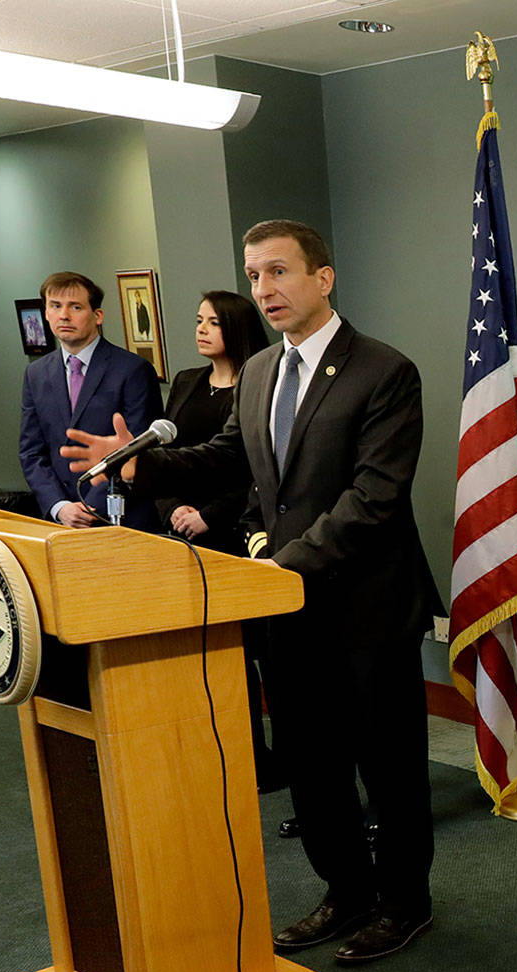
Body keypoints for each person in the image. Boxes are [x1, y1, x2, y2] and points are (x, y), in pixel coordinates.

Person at [64, 220, 440, 965]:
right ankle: (346, 890)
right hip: (283, 608)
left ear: (323, 278)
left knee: (386, 764)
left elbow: (374, 495)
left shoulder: (385, 371)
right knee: (312, 762)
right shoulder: (262, 370)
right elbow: (230, 455)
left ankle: (404, 902)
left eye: (279, 272)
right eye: (254, 274)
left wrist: (286, 564)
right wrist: (139, 465)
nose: (264, 289)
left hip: (365, 605)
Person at [156, 289, 289, 798]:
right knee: (221, 656)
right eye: (197, 319)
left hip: (240, 536)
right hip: (183, 537)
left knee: (265, 656)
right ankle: (244, 755)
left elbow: (254, 468)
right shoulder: (188, 383)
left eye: (212, 321)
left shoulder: (261, 380)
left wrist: (209, 516)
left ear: (236, 327)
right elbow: (172, 451)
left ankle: (289, 761)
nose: (202, 329)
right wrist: (171, 509)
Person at [18, 271, 162, 530]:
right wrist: (59, 507)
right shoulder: (36, 374)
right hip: (60, 522)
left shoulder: (132, 370)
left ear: (97, 316)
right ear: (46, 313)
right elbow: (31, 452)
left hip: (121, 518)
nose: (64, 315)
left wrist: (89, 506)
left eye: (75, 307)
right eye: (55, 306)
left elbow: (140, 447)